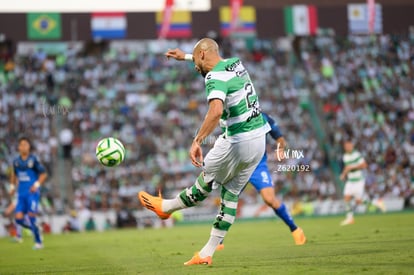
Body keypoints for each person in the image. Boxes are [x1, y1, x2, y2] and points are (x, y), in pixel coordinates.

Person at [138, 38, 271, 266]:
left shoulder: (213, 77)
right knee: (230, 195)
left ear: (202, 55)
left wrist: (197, 140)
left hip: (237, 140)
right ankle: (207, 252)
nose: (195, 68)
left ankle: (166, 208)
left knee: (205, 182)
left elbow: (216, 110)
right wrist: (186, 57)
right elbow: (209, 60)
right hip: (259, 140)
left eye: (195, 61)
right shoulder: (236, 63)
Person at [216, 112, 306, 251]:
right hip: (238, 166)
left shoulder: (263, 117)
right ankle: (218, 240)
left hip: (258, 165)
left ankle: (295, 229)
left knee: (269, 199)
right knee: (228, 199)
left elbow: (279, 137)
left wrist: (280, 149)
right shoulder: (228, 117)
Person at [9, 137, 47, 249]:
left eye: (26, 144)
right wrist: (12, 186)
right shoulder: (16, 161)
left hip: (32, 194)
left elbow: (43, 174)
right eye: (22, 144)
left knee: (31, 217)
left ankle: (38, 242)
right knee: (18, 219)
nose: (24, 146)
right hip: (21, 194)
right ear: (19, 147)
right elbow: (14, 175)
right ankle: (36, 229)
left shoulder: (33, 160)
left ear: (29, 147)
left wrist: (36, 185)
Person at [339, 139, 368, 226]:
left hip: (358, 180)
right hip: (350, 181)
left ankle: (375, 202)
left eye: (348, 145)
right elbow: (347, 167)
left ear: (352, 146)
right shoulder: (345, 156)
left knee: (358, 201)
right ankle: (350, 218)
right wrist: (343, 174)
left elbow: (364, 165)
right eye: (345, 146)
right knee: (346, 198)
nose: (347, 147)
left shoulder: (356, 154)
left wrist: (352, 167)